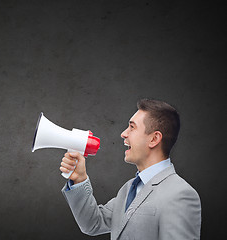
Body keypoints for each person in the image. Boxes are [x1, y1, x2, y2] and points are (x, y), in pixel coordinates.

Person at [60, 99, 201, 240]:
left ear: (154, 139)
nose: (123, 133)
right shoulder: (128, 189)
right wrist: (79, 179)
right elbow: (93, 223)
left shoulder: (181, 195)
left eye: (132, 127)